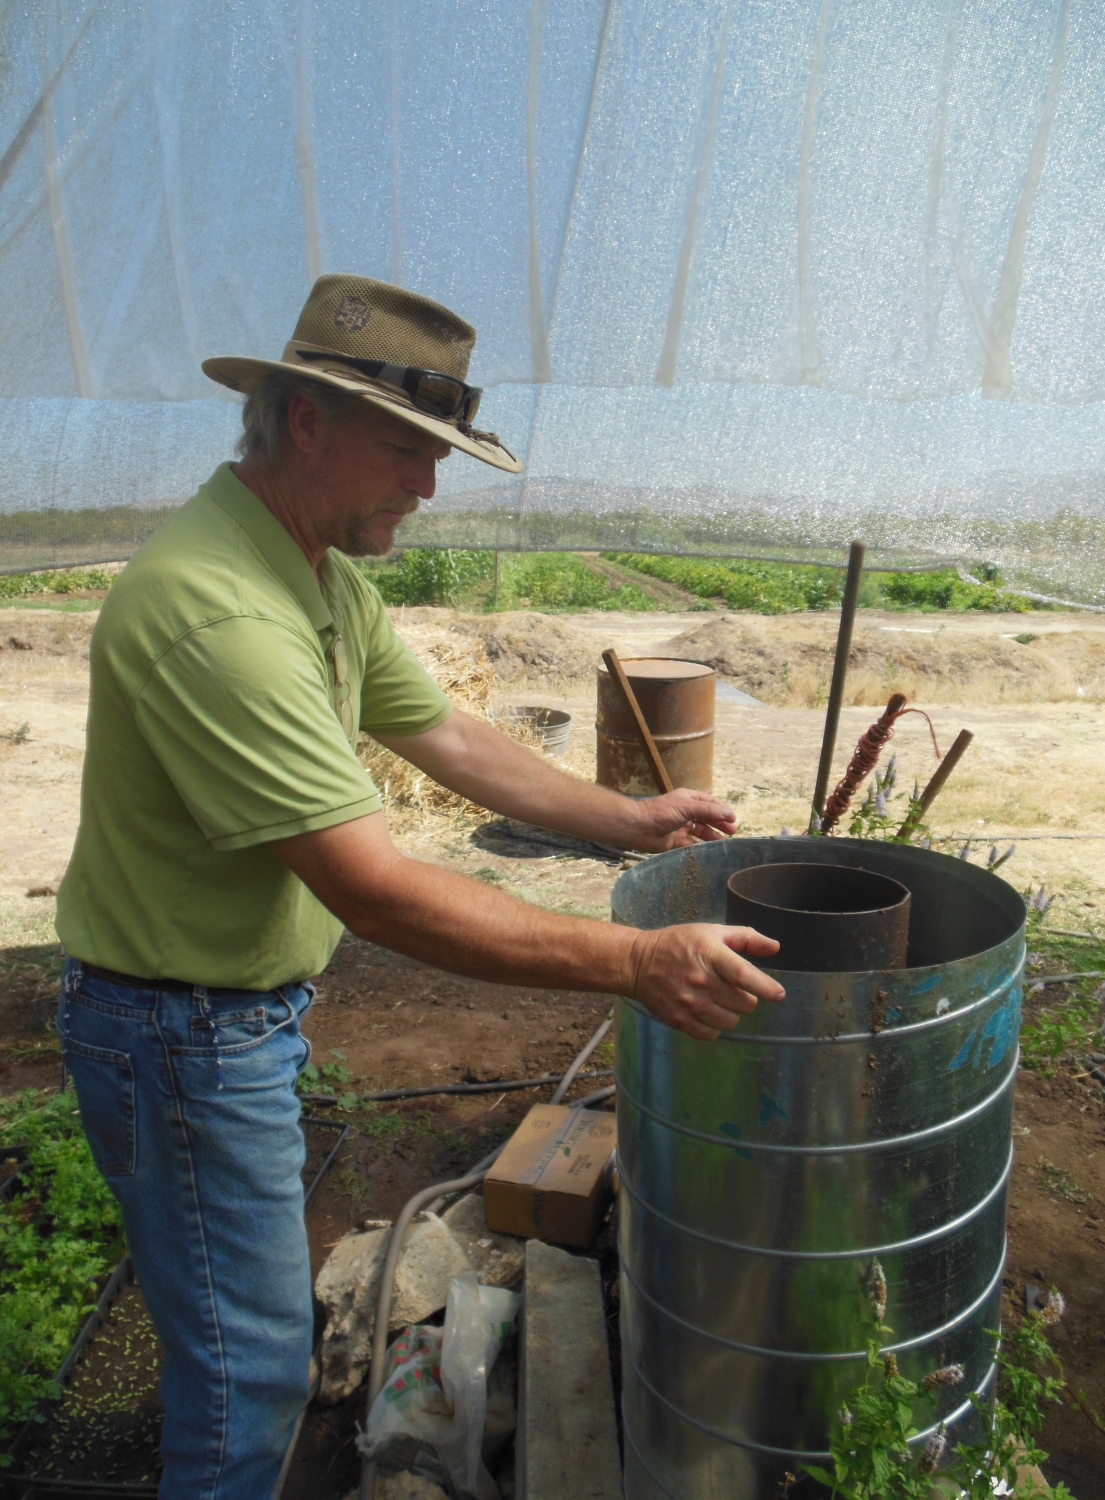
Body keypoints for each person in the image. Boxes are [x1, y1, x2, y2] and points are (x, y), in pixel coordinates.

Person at [54, 275, 784, 1499]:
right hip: (180, 1035)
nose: (430, 488)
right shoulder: (216, 611)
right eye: (409, 452)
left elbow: (444, 732)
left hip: (227, 1021)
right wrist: (638, 962)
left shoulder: (310, 572)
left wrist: (627, 816)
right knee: (248, 1379)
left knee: (247, 1338)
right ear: (305, 424)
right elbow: (378, 893)